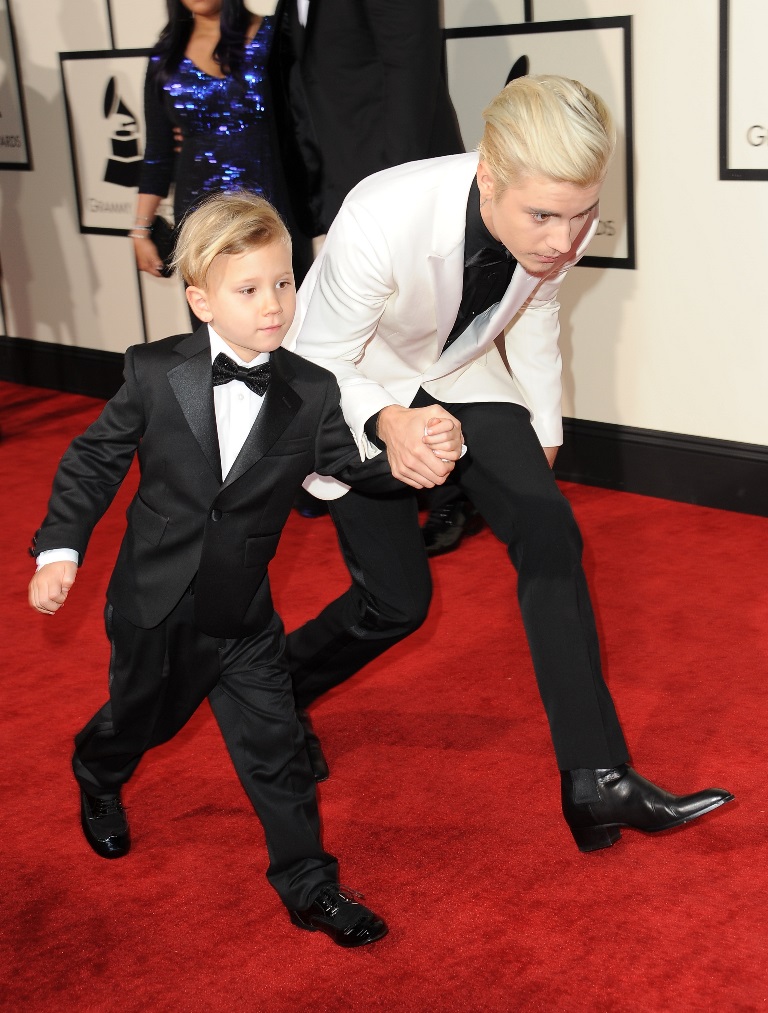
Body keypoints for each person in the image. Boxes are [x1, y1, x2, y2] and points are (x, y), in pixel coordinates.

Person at [282, 75, 735, 851]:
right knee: (397, 603)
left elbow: (534, 304)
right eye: (544, 216)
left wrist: (542, 419)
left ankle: (596, 781)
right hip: (351, 386)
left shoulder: (563, 212)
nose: (563, 239)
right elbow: (316, 365)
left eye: (580, 213)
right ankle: (276, 688)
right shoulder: (382, 214)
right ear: (489, 174)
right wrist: (389, 421)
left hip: (458, 368)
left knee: (549, 528)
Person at [27, 191, 460, 945]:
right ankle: (97, 771)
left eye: (285, 283)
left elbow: (347, 470)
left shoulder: (313, 389)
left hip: (245, 613)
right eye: (249, 289)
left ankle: (309, 885)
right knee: (143, 722)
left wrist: (414, 459)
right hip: (154, 603)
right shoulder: (154, 371)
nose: (273, 305)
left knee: (278, 749)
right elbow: (94, 459)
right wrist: (60, 548)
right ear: (200, 299)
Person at [131, 0, 309, 285]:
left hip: (275, 199)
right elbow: (157, 154)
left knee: (286, 307)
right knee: (213, 313)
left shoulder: (274, 35)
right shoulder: (165, 56)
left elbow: (308, 117)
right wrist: (140, 230)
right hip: (199, 211)